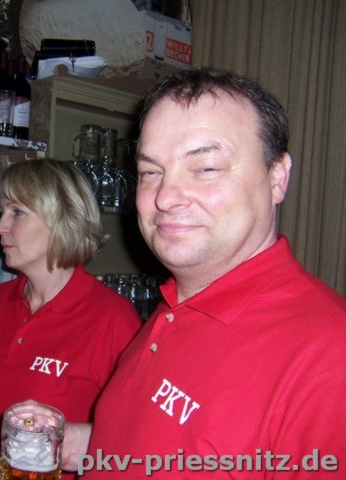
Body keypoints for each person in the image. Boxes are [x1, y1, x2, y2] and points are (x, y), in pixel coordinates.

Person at [60, 67, 346, 478]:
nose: (165, 197)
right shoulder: (174, 304)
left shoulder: (329, 361)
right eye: (150, 172)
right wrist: (88, 445)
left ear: (277, 177)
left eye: (206, 167)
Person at [0, 159, 142, 480]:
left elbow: (133, 439)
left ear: (62, 220)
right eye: (2, 211)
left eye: (17, 212)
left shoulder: (113, 319)